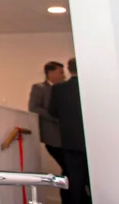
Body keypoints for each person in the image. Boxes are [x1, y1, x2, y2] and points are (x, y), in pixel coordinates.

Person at [50, 58, 90, 204]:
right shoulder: (92, 86)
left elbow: (53, 112)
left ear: (69, 70)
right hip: (93, 141)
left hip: (70, 142)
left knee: (75, 181)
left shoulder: (58, 89)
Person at [28, 61, 66, 171]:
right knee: (67, 166)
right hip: (52, 136)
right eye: (61, 72)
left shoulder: (63, 89)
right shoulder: (40, 88)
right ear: (50, 73)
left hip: (66, 136)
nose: (63, 76)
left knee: (70, 169)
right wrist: (54, 118)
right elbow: (34, 107)